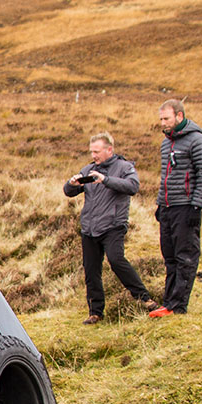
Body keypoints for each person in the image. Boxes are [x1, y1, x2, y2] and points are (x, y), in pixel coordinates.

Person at [63, 132, 157, 324]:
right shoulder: (88, 169)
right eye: (91, 152)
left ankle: (145, 299)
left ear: (109, 150)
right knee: (91, 270)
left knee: (116, 260)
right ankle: (95, 312)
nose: (93, 156)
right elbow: (68, 192)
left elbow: (133, 186)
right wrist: (71, 184)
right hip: (89, 227)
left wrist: (105, 179)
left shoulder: (124, 167)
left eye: (96, 151)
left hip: (113, 226)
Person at [150, 99, 202, 317]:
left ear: (179, 116)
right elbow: (165, 177)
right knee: (169, 256)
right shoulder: (166, 143)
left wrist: (196, 206)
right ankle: (168, 302)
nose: (163, 123)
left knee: (185, 256)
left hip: (186, 207)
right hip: (168, 207)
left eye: (166, 118)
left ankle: (178, 306)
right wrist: (160, 204)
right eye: (161, 119)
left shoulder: (197, 140)